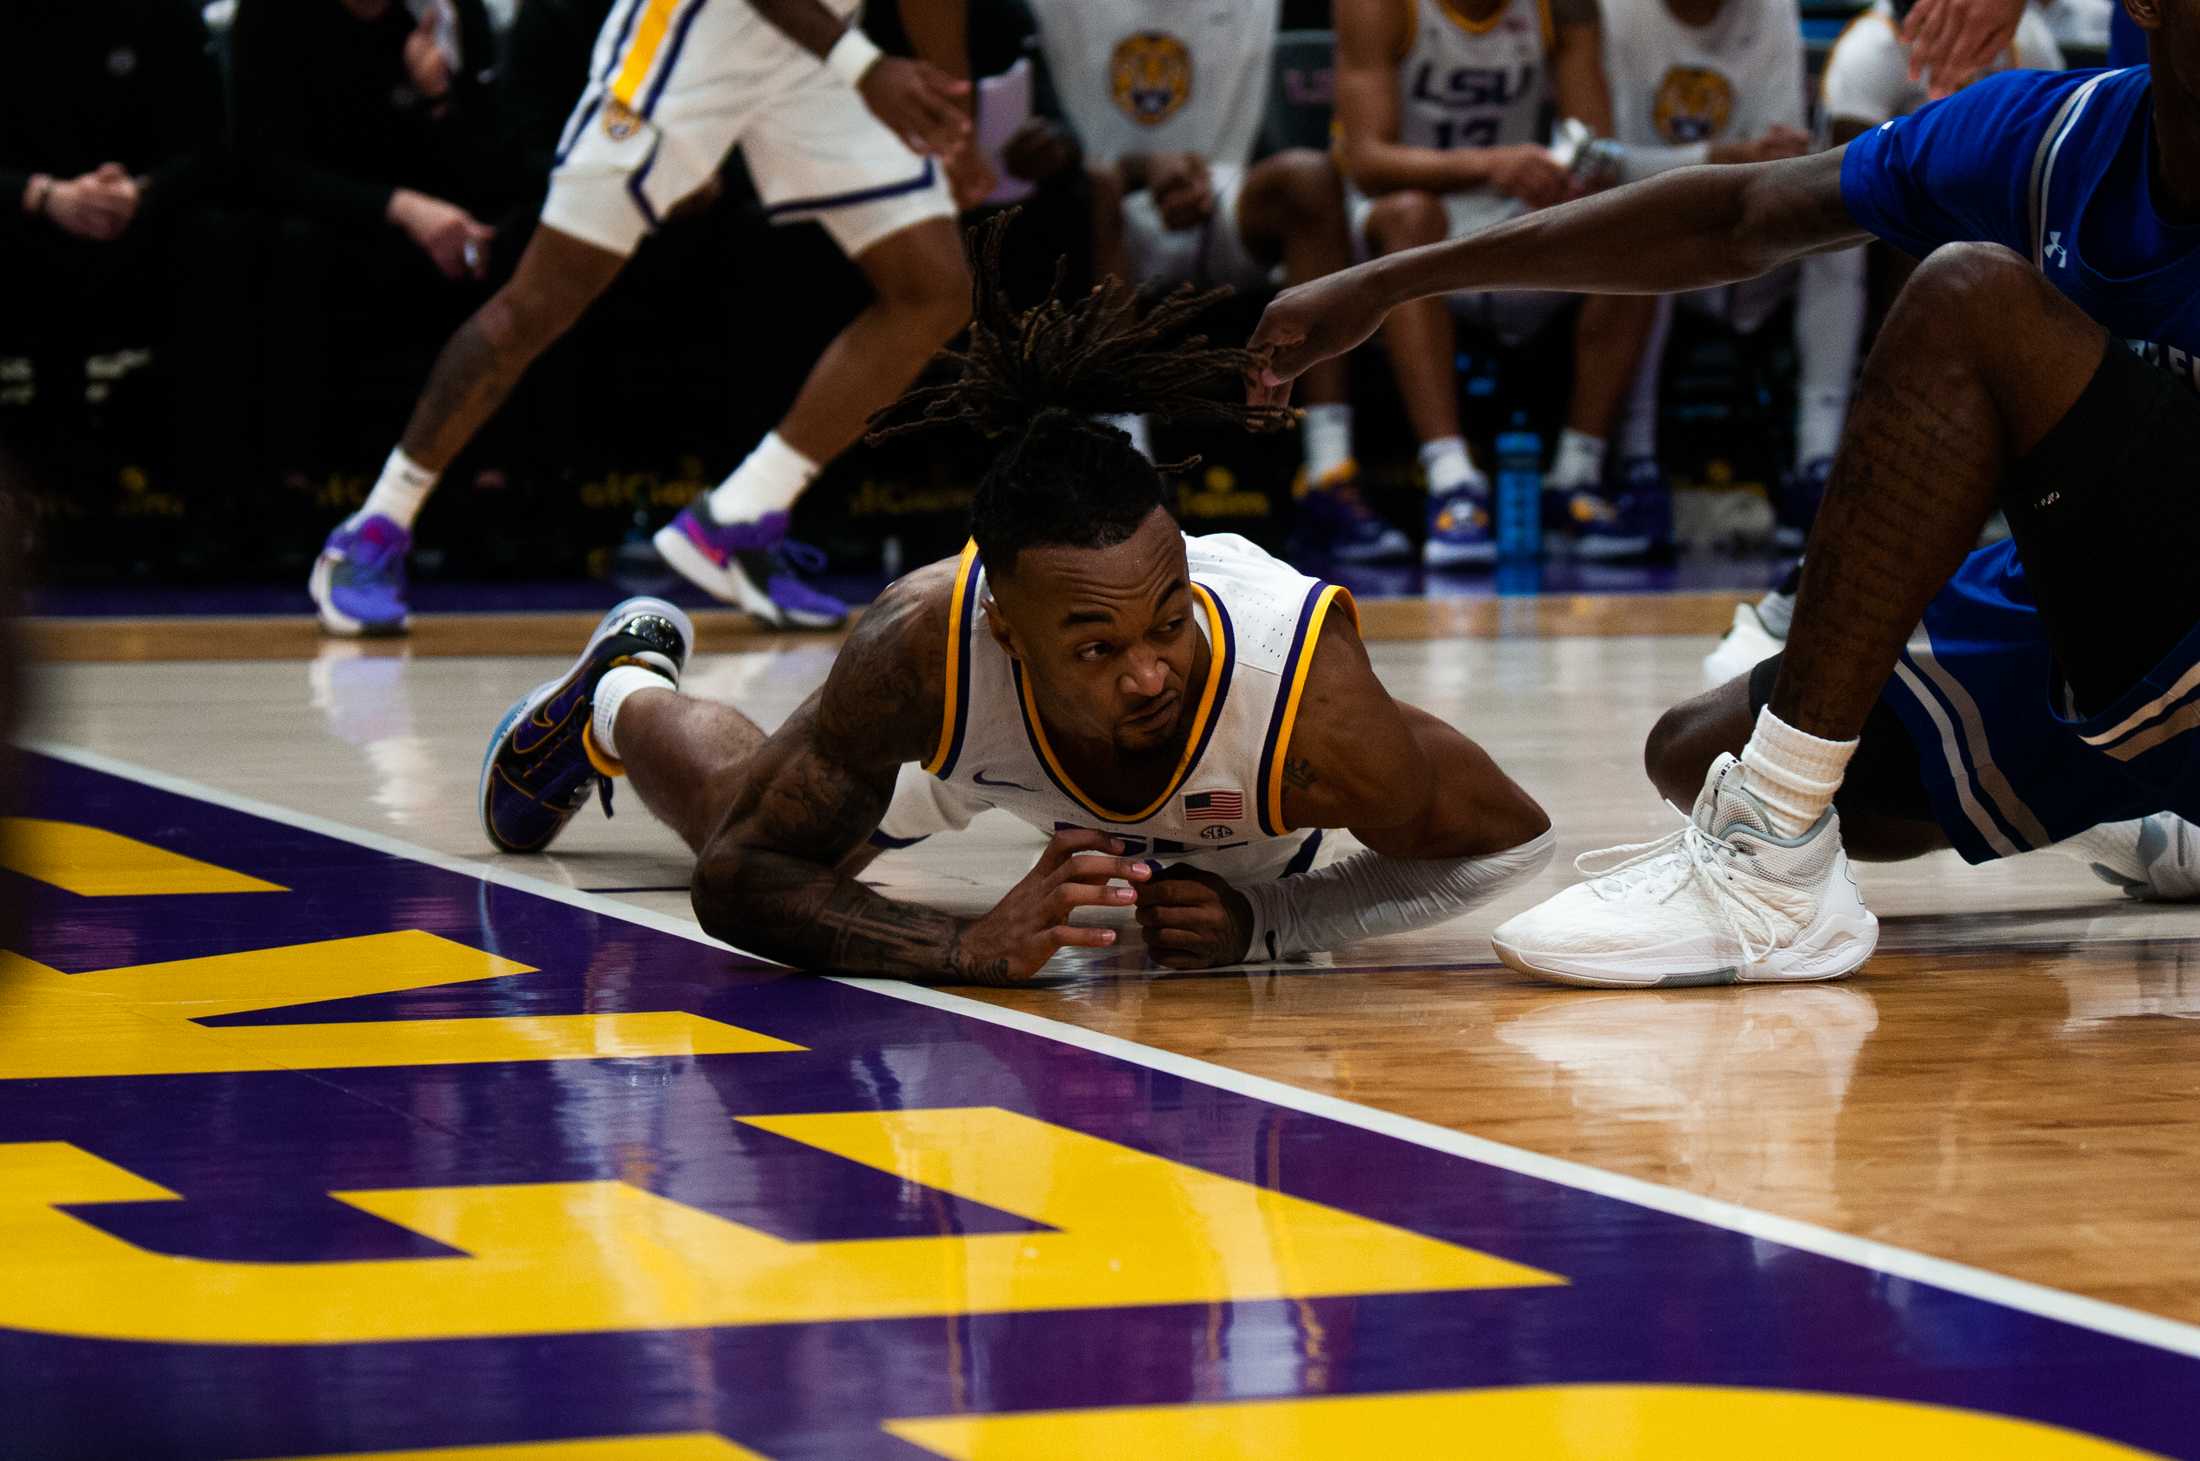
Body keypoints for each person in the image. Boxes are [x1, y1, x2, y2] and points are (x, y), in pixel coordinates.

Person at [1247, 2, 2200, 987]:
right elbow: (1735, 215)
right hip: (2141, 627)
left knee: (1971, 302)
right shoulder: (2055, 137)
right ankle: (2154, 808)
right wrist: (1396, 281)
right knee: (1696, 750)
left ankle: (1771, 864)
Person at [479, 216, 1555, 980]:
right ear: (1003, 625)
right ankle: (617, 697)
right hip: (993, 762)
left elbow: (1506, 841)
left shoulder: (1298, 686)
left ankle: (621, 698)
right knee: (742, 815)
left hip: (1241, 844)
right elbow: (742, 875)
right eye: (1094, 648)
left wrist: (1272, 918)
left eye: (1167, 623)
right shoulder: (926, 643)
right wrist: (960, 947)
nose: (1147, 672)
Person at [310, 0, 979, 638]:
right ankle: (372, 530)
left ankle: (738, 517)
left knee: (935, 286)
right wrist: (865, 65)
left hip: (814, 62)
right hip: (691, 48)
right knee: (540, 301)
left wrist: (955, 120)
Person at [1027, 0, 1415, 565]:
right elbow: (1036, 132)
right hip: (1102, 208)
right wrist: (1145, 164)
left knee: (1309, 178)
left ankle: (1329, 473)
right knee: (1100, 185)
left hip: (1222, 197)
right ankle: (1131, 480)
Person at [1333, 0, 1660, 563]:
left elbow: (1598, 143)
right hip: (1403, 211)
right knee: (1416, 217)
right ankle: (1452, 480)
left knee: (1633, 223)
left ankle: (1576, 475)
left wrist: (1579, 173)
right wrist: (1489, 164)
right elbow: (1364, 158)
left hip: (1510, 205)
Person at [1596, 0, 1824, 551]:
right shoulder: (1613, 12)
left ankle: (1819, 456)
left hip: (1752, 233)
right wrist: (1729, 156)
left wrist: (1719, 164)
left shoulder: (1773, 10)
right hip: (1656, 239)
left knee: (1841, 231)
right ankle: (1638, 456)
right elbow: (1609, 166)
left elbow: (1785, 162)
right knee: (1651, 220)